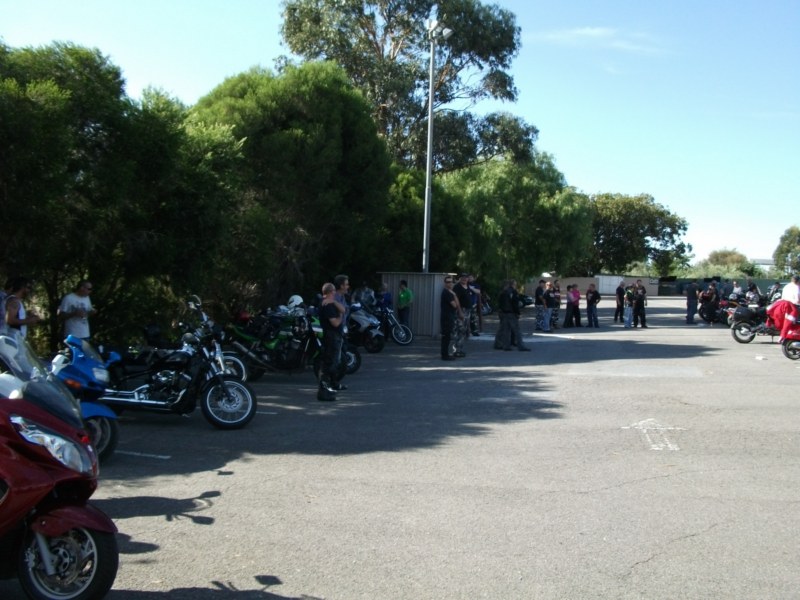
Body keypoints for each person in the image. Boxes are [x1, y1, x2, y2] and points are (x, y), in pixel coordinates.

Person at [317, 282, 346, 401]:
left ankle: (331, 386)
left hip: (334, 336)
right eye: (333, 291)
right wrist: (340, 317)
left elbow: (343, 309)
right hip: (331, 336)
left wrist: (334, 302)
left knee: (333, 363)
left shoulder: (331, 303)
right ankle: (323, 392)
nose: (335, 292)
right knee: (328, 364)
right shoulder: (327, 305)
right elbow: (335, 323)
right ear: (330, 292)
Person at [330, 274, 350, 390]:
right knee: (333, 359)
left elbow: (345, 310)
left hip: (341, 330)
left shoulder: (342, 297)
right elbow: (341, 313)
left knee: (338, 358)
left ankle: (334, 383)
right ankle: (330, 384)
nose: (348, 286)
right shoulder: (334, 298)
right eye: (346, 284)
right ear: (341, 286)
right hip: (334, 331)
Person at [500, 279, 530, 351]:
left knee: (506, 330)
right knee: (517, 330)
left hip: (504, 313)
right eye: (515, 284)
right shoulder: (514, 292)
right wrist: (517, 313)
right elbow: (515, 303)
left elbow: (500, 303)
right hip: (512, 313)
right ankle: (521, 346)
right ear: (513, 285)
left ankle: (506, 346)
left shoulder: (504, 292)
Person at [452, 274, 471, 357]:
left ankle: (459, 349)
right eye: (463, 277)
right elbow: (456, 300)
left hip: (467, 310)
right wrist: (460, 311)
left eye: (466, 277)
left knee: (463, 331)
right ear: (460, 278)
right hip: (461, 310)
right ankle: (456, 350)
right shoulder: (457, 287)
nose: (464, 279)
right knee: (459, 330)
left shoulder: (467, 286)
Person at [440, 275, 458, 361]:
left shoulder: (449, 292)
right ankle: (445, 355)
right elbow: (455, 305)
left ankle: (445, 354)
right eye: (448, 282)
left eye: (451, 282)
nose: (450, 283)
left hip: (449, 317)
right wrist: (454, 295)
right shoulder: (447, 293)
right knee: (446, 337)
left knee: (447, 336)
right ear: (445, 283)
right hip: (446, 317)